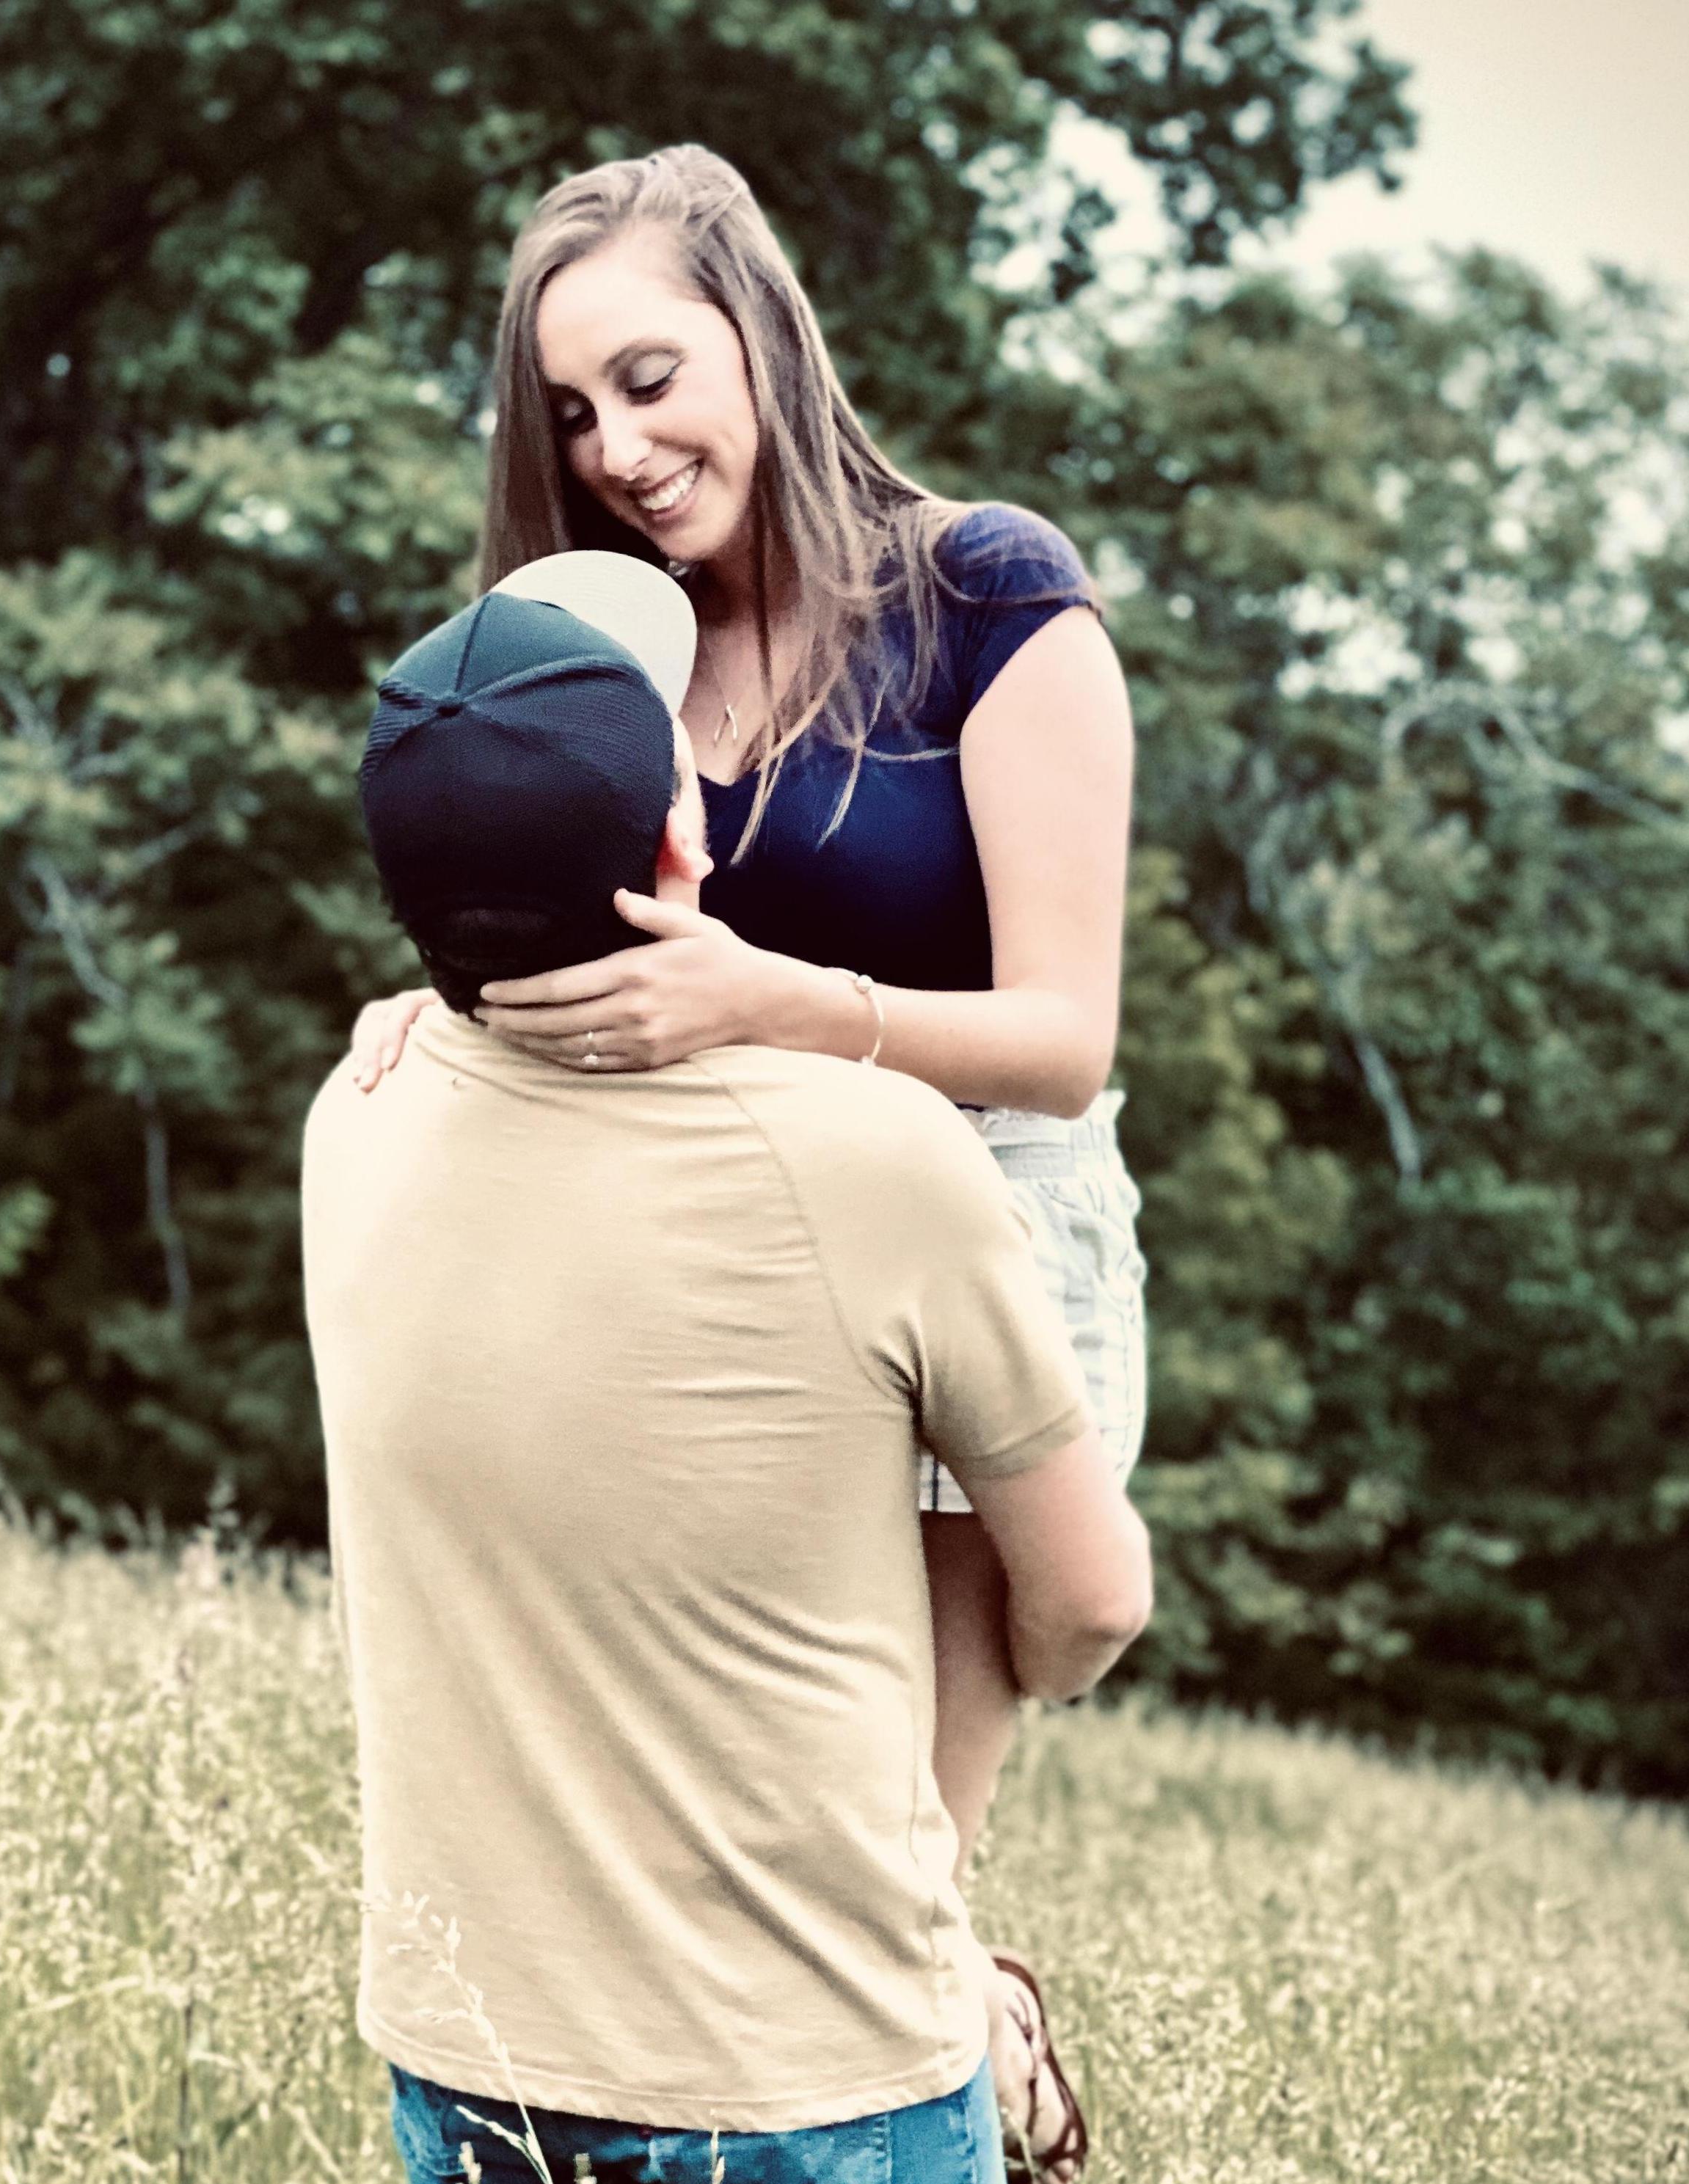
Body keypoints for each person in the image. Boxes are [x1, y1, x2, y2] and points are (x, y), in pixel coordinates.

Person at [346, 145, 1143, 2177]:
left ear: (760, 335)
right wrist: (425, 1009)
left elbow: (1063, 1038)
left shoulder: (985, 597)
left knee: (895, 1875)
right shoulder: (619, 636)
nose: (612, 447)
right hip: (711, 1250)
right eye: (570, 415)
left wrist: (776, 1004)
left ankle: (974, 2055)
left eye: (645, 377)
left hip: (978, 1230)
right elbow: (551, 907)